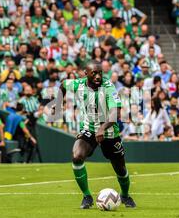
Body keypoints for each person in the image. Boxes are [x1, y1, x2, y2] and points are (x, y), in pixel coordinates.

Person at [55, 62, 136, 209]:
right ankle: (87, 196)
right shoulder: (78, 84)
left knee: (120, 169)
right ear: (86, 73)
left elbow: (114, 114)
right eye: (94, 73)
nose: (98, 76)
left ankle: (125, 195)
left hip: (110, 131)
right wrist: (59, 102)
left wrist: (102, 128)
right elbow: (63, 84)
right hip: (89, 128)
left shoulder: (109, 87)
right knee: (77, 156)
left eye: (100, 73)